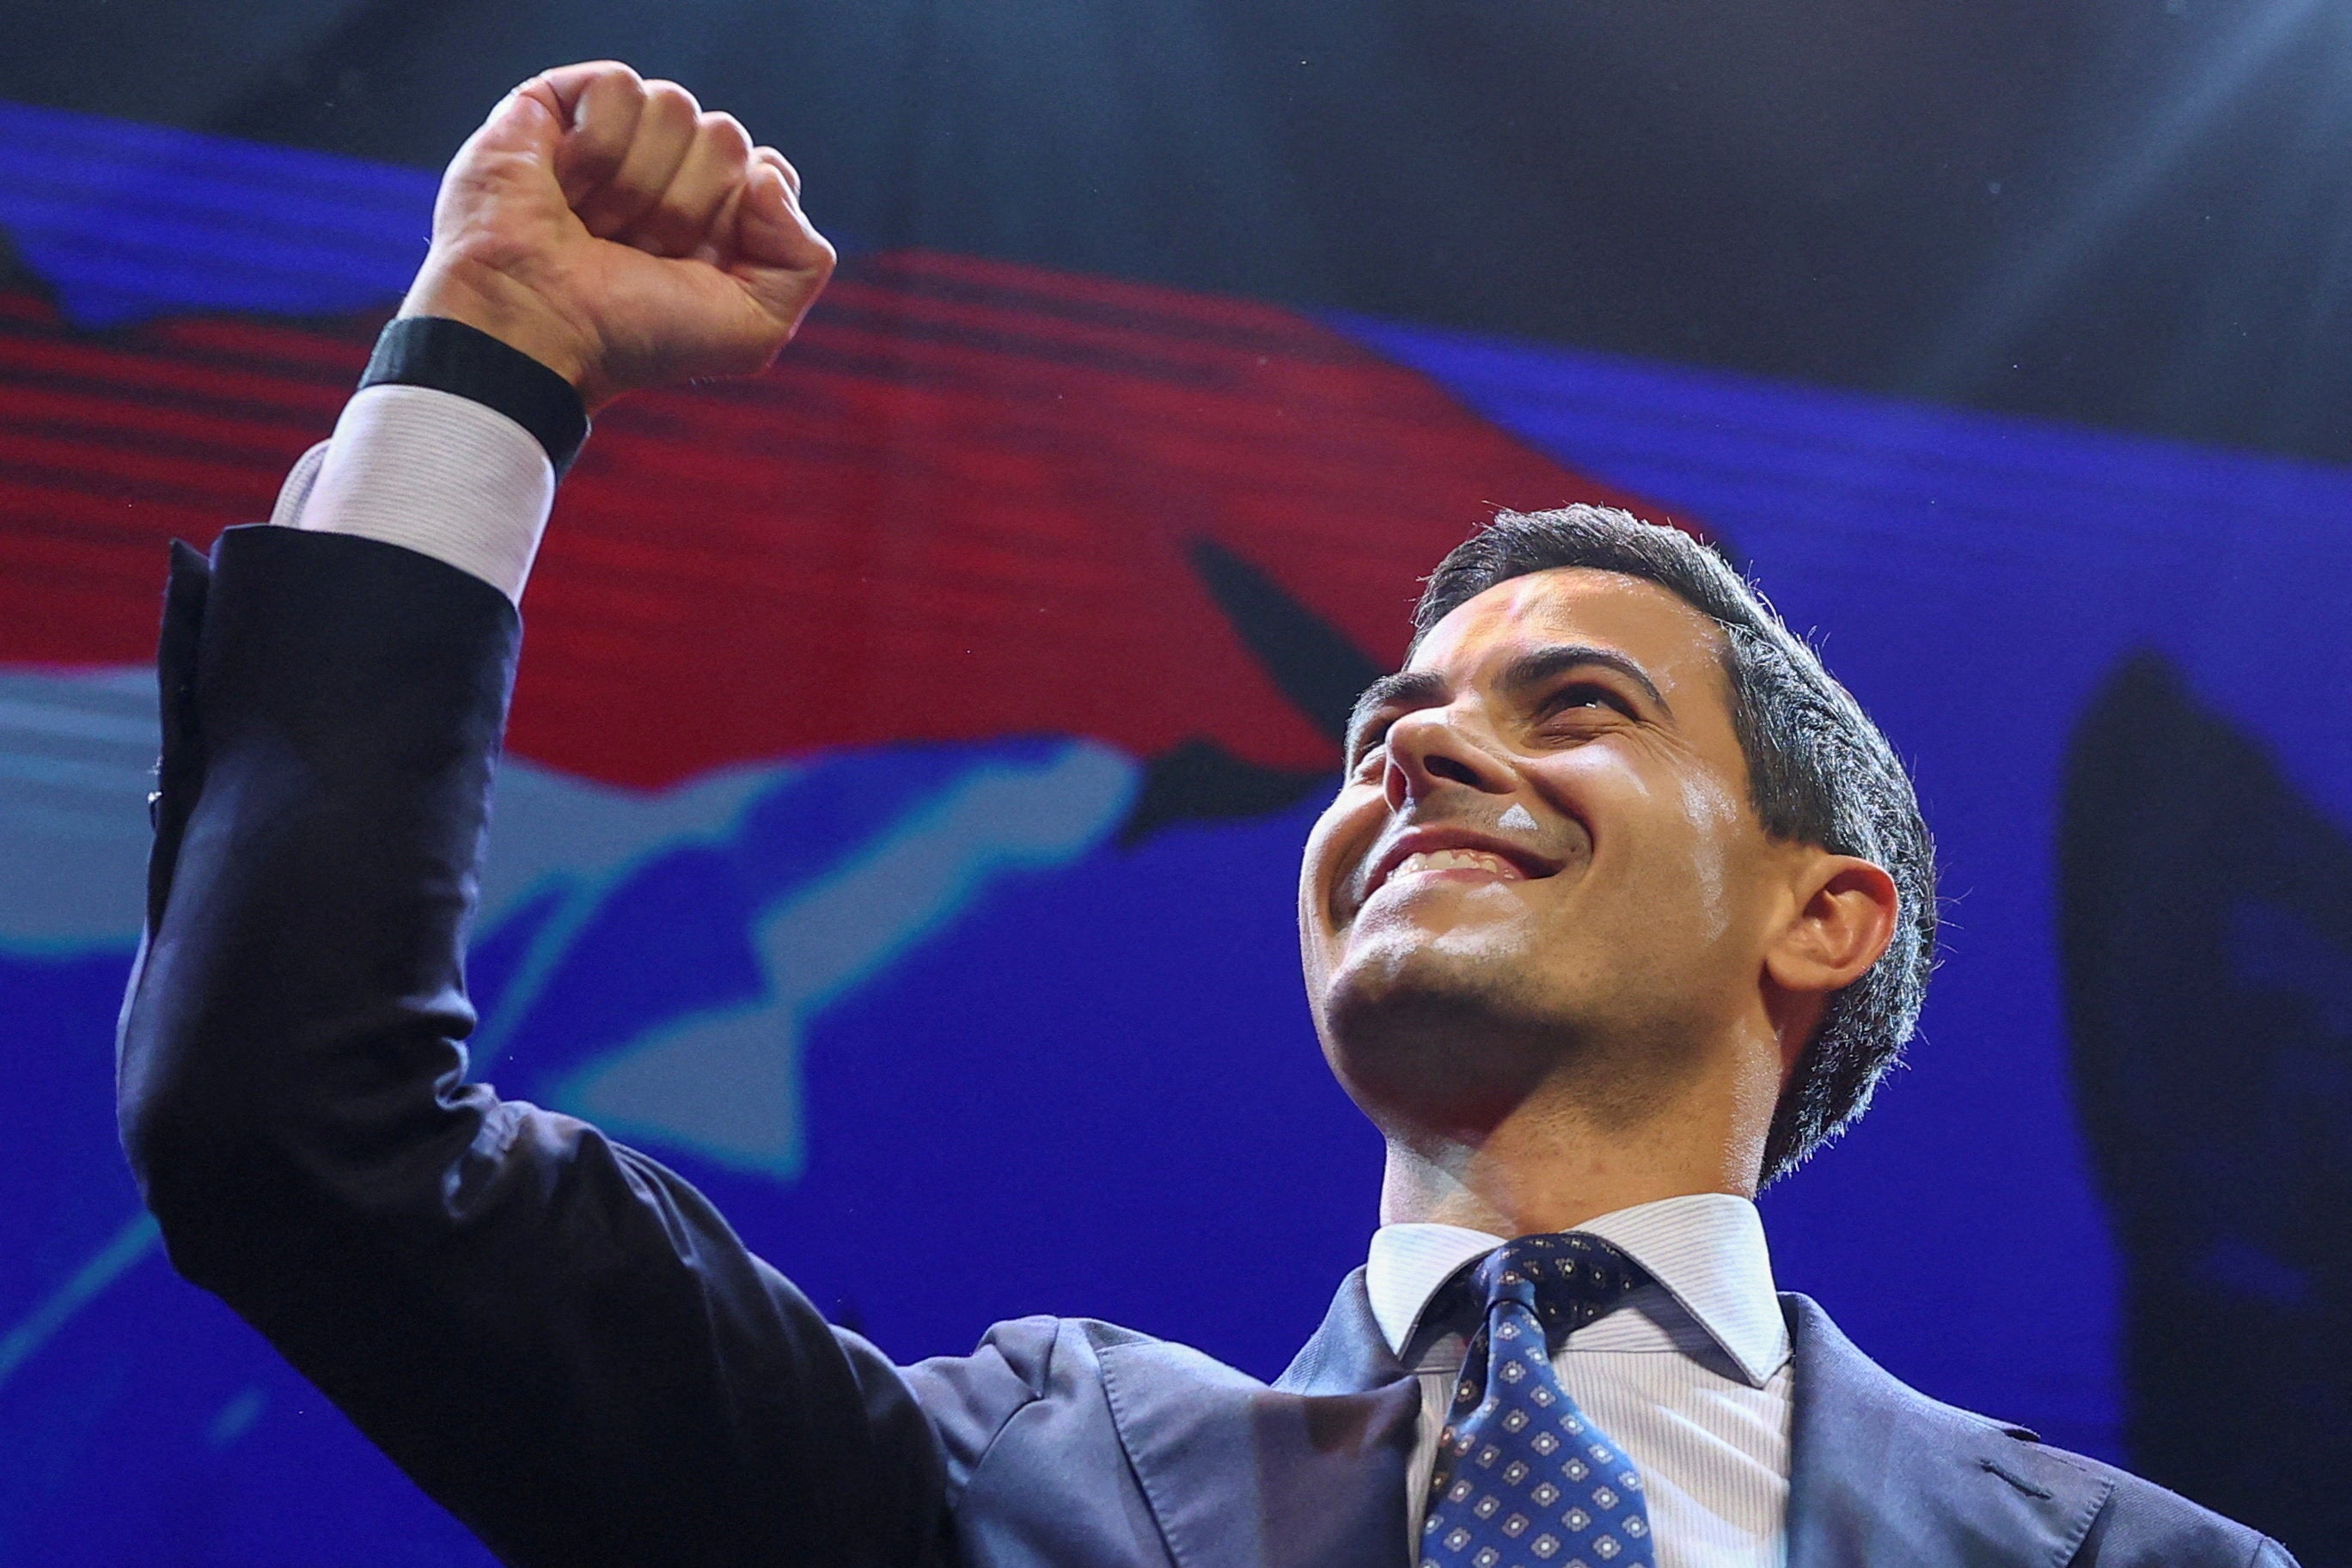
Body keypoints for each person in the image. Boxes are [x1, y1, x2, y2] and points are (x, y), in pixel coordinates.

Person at [115, 62, 2296, 1568]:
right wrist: (494, 352)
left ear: (1826, 913)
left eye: (1576, 704)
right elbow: (297, 1123)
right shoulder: (997, 1487)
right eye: (1386, 717)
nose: (1412, 754)